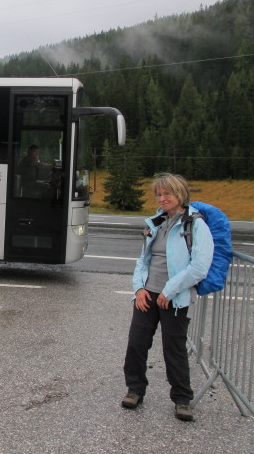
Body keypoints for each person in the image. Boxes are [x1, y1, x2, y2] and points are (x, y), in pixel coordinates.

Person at [121, 173, 214, 422]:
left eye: (167, 194)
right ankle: (135, 389)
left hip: (175, 297)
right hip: (148, 295)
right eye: (159, 194)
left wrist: (169, 291)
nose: (162, 199)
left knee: (174, 349)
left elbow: (199, 267)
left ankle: (182, 400)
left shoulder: (195, 225)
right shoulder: (156, 222)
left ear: (180, 195)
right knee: (136, 344)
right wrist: (139, 289)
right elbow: (143, 260)